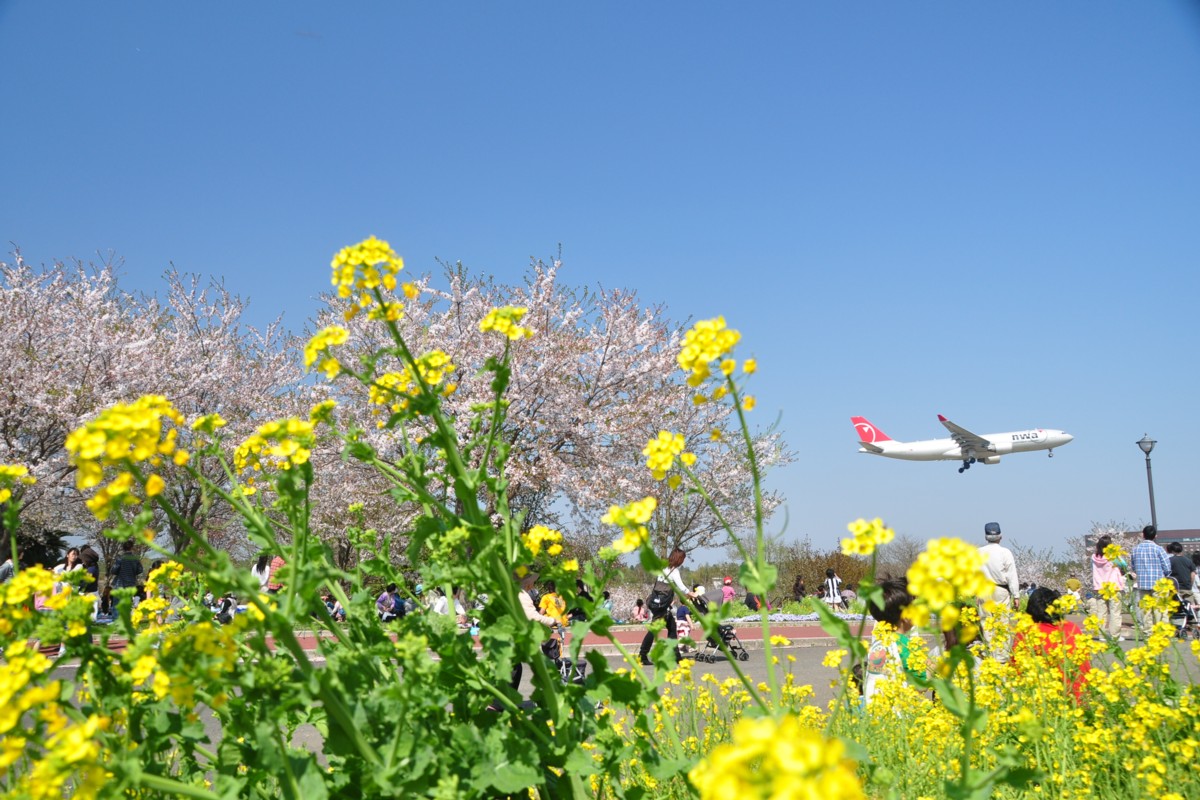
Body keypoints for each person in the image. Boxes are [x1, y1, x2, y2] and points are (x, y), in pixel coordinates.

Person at [1013, 587, 1092, 703]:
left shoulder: (1026, 631)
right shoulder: (1073, 628)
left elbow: (1016, 669)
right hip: (1081, 698)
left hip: (1047, 702)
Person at [862, 577, 928, 704]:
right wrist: (931, 668)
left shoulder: (879, 644)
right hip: (903, 713)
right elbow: (921, 686)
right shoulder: (908, 646)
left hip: (878, 712)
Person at [639, 548, 695, 666]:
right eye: (683, 559)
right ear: (679, 559)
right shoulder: (674, 571)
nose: (683, 561)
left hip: (657, 603)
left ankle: (676, 656)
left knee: (672, 628)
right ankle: (642, 655)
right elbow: (681, 587)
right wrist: (691, 593)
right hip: (663, 606)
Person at [979, 522, 1020, 661]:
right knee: (1002, 621)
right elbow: (1011, 575)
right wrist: (1016, 595)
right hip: (1000, 589)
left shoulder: (979, 552)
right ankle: (1001, 656)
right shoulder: (1005, 552)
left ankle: (990, 653)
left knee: (986, 621)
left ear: (986, 537)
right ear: (1000, 536)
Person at [1130, 525, 1172, 635]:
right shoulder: (1159, 549)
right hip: (1159, 583)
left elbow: (1133, 567)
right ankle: (1160, 631)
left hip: (1143, 583)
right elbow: (1167, 567)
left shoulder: (1135, 550)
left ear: (1143, 535)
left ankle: (1148, 631)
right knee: (1159, 608)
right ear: (1155, 536)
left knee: (1146, 609)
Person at [1090, 535, 1127, 639]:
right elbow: (1124, 565)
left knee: (1101, 612)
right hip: (1113, 587)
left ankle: (1101, 635)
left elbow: (1091, 568)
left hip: (1099, 587)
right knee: (1115, 612)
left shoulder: (1093, 557)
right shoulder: (1113, 557)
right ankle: (1115, 635)